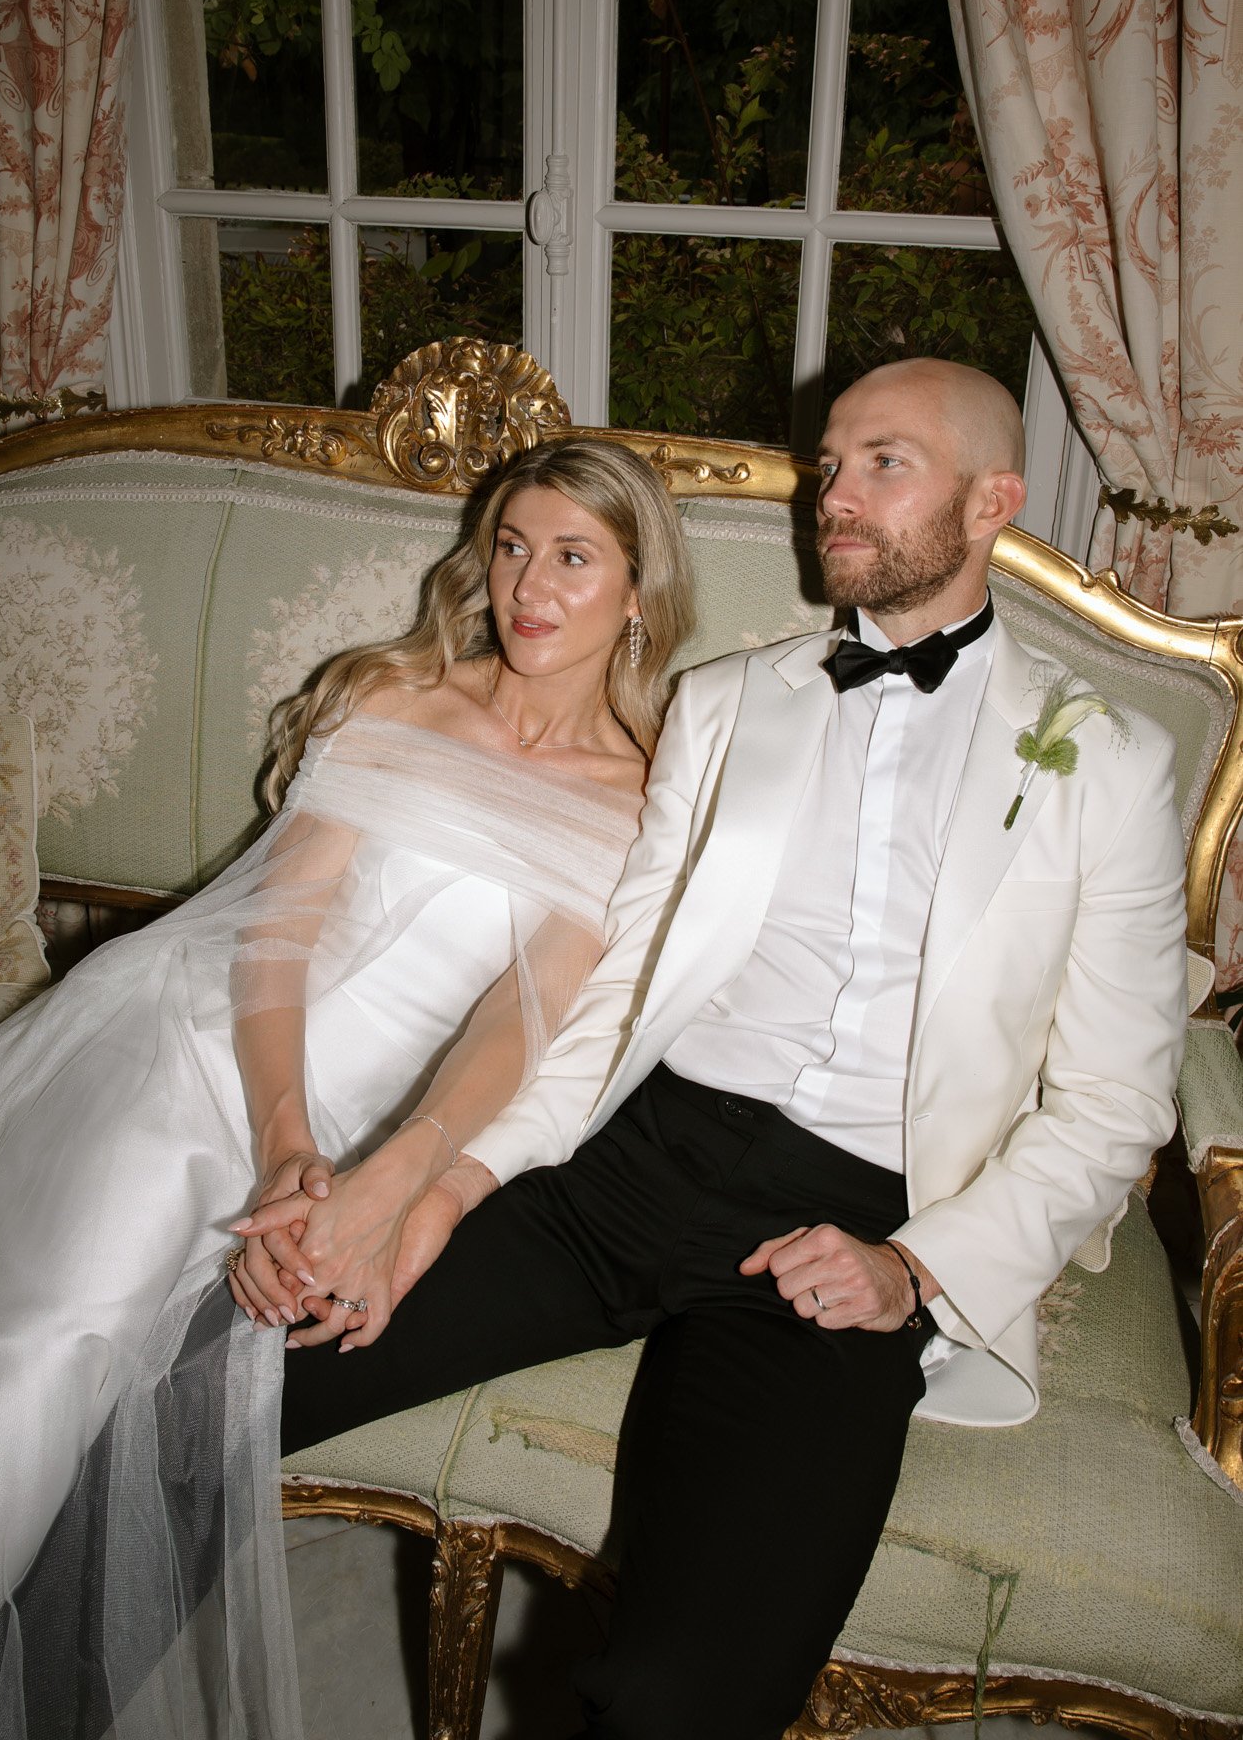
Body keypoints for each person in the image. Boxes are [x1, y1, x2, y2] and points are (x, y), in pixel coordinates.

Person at [278, 358, 1190, 1740]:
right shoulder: (725, 701)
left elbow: (1118, 1101)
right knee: (242, 1371)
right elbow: (619, 988)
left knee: (675, 1695)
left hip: (852, 1235)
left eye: (884, 462)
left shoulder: (1104, 759)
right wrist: (445, 1189)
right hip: (638, 1156)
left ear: (992, 499)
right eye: (830, 461)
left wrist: (914, 1269)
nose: (835, 490)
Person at [0, 436, 695, 1740]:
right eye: (509, 545)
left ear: (637, 589)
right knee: (44, 1341)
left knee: (147, 1368)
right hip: (197, 1051)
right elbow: (274, 937)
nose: (528, 584)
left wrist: (383, 1174)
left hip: (361, 1127)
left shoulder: (642, 797)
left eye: (572, 556)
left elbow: (520, 1021)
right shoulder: (400, 701)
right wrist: (282, 1137)